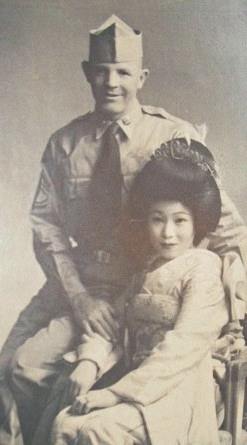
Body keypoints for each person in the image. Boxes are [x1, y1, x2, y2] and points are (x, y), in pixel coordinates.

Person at [0, 14, 246, 445]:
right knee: (18, 367)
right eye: (101, 72)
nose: (112, 83)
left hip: (145, 282)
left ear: (142, 77)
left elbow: (223, 225)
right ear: (87, 74)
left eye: (123, 73)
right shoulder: (65, 145)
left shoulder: (174, 135)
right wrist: (80, 300)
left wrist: (232, 300)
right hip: (81, 285)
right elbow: (46, 228)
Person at [50, 138, 235, 445]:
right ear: (145, 221)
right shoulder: (144, 272)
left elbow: (182, 348)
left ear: (197, 221)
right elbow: (113, 327)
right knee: (65, 423)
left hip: (178, 392)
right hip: (137, 388)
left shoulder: (204, 268)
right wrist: (90, 362)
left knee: (98, 430)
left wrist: (113, 393)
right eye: (157, 220)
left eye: (180, 220)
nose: (168, 233)